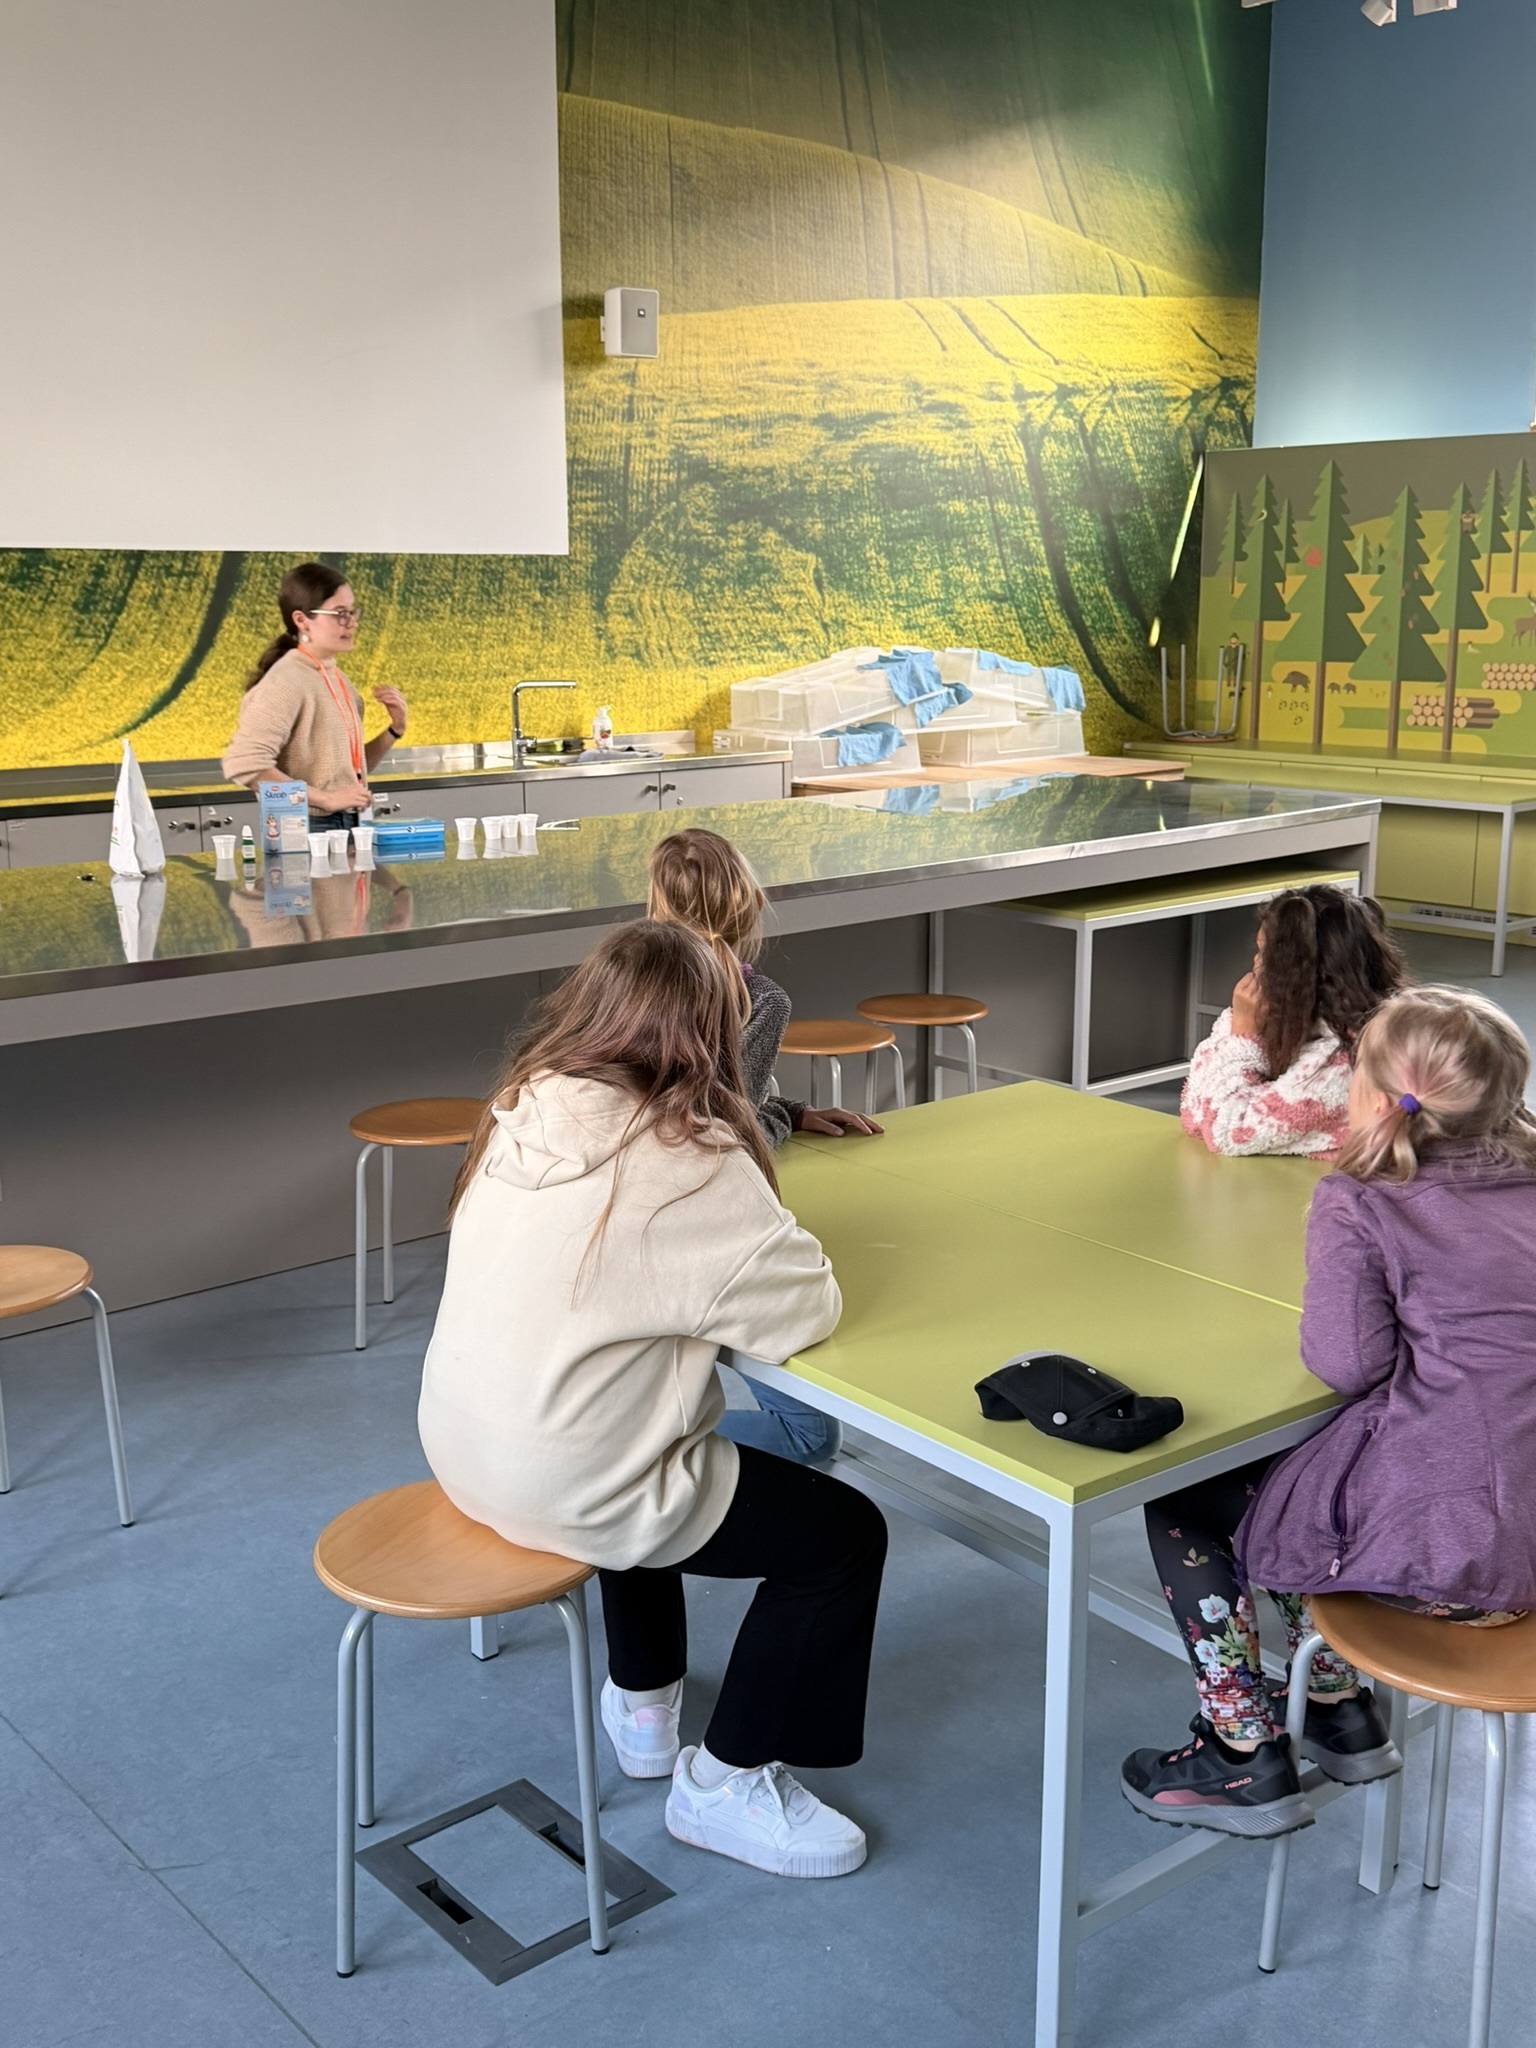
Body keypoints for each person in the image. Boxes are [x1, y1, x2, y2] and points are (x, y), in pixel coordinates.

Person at [419, 920, 887, 1877]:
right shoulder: (689, 1160)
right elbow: (805, 1310)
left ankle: (644, 1703)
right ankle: (724, 1781)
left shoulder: (521, 1108)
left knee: (639, 1436)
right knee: (843, 1539)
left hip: (467, 1449)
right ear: (711, 1033)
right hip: (572, 1479)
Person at [1123, 986, 1536, 1837]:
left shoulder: (1366, 1199)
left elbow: (1350, 1365)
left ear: (1377, 1098)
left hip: (1464, 1564)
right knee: (1302, 1491)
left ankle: (1240, 1748)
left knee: (1190, 1502)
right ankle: (1335, 1703)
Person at [647, 826, 881, 1466]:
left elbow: (693, 1109)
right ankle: (648, 1448)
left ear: (655, 905)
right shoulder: (760, 1000)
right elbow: (730, 1137)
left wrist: (788, 1110)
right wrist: (778, 1116)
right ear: (750, 902)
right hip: (702, 1236)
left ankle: (637, 1438)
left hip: (636, 1236)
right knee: (811, 1435)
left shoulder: (624, 990)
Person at [1180, 884, 1407, 1158]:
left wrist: (1241, 1033)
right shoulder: (1328, 1027)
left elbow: (1226, 1131)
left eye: (1264, 953)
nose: (1255, 962)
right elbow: (1196, 1109)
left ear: (1295, 974)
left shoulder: (1338, 1064)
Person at [221, 561, 408, 828]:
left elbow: (345, 770)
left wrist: (394, 730)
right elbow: (244, 763)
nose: (352, 623)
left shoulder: (339, 680)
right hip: (305, 827)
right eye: (339, 613)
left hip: (348, 822)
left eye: (353, 612)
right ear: (301, 620)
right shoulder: (286, 681)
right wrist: (324, 799)